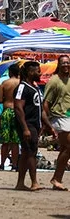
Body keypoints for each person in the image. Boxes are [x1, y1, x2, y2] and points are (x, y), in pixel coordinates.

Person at [14, 61, 55, 191]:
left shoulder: (36, 87)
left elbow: (41, 110)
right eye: (37, 71)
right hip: (27, 124)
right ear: (30, 72)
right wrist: (25, 128)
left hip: (35, 124)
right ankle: (34, 182)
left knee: (27, 153)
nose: (40, 73)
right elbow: (18, 108)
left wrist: (49, 126)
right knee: (31, 152)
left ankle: (20, 183)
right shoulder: (22, 87)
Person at [43, 54, 70, 191]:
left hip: (68, 116)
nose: (66, 65)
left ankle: (57, 179)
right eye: (63, 63)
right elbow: (46, 103)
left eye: (67, 63)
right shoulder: (54, 81)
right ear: (59, 65)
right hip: (58, 116)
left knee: (66, 149)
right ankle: (56, 178)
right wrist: (48, 123)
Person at [0, 63, 21, 172]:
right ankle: (15, 165)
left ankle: (2, 164)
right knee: (15, 141)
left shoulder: (5, 83)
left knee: (5, 141)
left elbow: (0, 100)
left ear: (10, 72)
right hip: (17, 111)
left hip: (7, 111)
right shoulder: (21, 83)